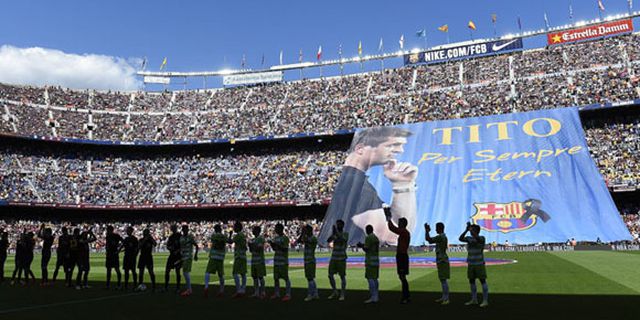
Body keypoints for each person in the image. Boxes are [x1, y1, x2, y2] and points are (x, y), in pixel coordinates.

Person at [320, 127, 417, 245]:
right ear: (360, 149)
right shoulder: (359, 188)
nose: (399, 151)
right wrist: (404, 186)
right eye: (392, 145)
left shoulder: (351, 181)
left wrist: (402, 185)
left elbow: (398, 228)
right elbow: (393, 237)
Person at [459, 223, 489, 308]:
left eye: (472, 230)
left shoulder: (482, 238)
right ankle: (474, 299)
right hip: (471, 263)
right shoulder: (469, 238)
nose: (471, 231)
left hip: (479, 263)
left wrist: (471, 230)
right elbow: (460, 238)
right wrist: (466, 230)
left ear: (476, 231)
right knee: (471, 281)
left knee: (482, 281)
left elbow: (478, 239)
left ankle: (485, 300)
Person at [387, 210, 411, 304]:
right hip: (401, 255)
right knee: (402, 277)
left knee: (402, 277)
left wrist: (388, 218)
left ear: (403, 224)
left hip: (402, 256)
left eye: (400, 222)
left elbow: (393, 228)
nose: (399, 224)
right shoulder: (404, 232)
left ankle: (406, 296)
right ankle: (406, 296)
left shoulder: (404, 232)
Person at [425, 222, 450, 305]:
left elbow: (429, 239)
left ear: (439, 228)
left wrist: (427, 231)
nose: (435, 229)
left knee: (443, 280)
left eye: (436, 228)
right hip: (442, 259)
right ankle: (444, 297)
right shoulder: (443, 236)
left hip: (442, 260)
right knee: (443, 280)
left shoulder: (441, 237)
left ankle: (446, 298)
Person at [268, 223, 291, 301]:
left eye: (277, 228)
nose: (275, 230)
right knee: (276, 278)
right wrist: (272, 244)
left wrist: (277, 245)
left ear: (280, 229)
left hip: (283, 261)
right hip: (277, 260)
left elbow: (285, 249)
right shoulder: (276, 238)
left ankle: (288, 294)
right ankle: (277, 293)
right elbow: (275, 249)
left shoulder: (285, 238)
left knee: (286, 278)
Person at [296, 224, 319, 301]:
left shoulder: (313, 238)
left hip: (310, 260)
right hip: (308, 260)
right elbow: (298, 241)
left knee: (310, 278)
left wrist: (303, 233)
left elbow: (303, 240)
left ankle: (310, 294)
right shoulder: (309, 237)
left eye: (306, 230)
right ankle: (315, 293)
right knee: (311, 278)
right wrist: (303, 233)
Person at [358, 225, 380, 304]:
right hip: (376, 260)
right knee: (375, 278)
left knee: (370, 278)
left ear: (367, 230)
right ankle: (376, 295)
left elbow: (367, 248)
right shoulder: (375, 237)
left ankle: (373, 296)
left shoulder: (369, 237)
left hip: (370, 260)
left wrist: (361, 246)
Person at [327, 220, 348, 301]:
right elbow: (328, 240)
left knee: (342, 276)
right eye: (337, 225)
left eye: (339, 225)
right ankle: (335, 291)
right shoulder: (335, 234)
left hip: (341, 258)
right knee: (330, 275)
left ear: (342, 226)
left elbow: (343, 239)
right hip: (334, 257)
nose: (337, 226)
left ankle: (342, 293)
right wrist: (333, 234)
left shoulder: (345, 234)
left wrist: (336, 233)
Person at [204, 224, 226, 298]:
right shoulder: (223, 236)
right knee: (221, 275)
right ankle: (222, 290)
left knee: (207, 272)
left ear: (215, 229)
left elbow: (213, 242)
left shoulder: (214, 236)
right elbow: (227, 242)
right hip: (221, 257)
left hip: (213, 256)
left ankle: (206, 286)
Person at [228, 221, 247, 298]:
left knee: (235, 273)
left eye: (235, 227)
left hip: (238, 256)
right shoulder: (243, 235)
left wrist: (230, 235)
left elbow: (230, 242)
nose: (234, 228)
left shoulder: (238, 235)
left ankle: (239, 290)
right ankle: (243, 289)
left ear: (238, 228)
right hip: (243, 256)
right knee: (243, 274)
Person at [179, 224, 198, 297]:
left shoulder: (190, 237)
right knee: (185, 272)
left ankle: (189, 290)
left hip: (189, 256)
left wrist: (196, 255)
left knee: (185, 272)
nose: (185, 230)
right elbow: (181, 247)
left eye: (186, 229)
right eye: (184, 229)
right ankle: (189, 289)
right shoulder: (181, 238)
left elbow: (196, 245)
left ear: (187, 230)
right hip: (183, 256)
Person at [249, 225, 266, 299]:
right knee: (254, 277)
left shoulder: (261, 239)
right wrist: (250, 246)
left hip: (259, 260)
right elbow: (251, 250)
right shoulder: (252, 239)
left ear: (257, 231)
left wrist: (252, 246)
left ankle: (263, 292)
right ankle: (256, 292)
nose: (252, 231)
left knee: (260, 277)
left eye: (253, 230)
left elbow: (259, 248)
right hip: (253, 260)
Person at [163, 224, 182, 293]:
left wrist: (177, 250)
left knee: (177, 271)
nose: (173, 229)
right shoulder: (170, 237)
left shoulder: (180, 236)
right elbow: (168, 245)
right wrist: (169, 248)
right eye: (172, 228)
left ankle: (178, 288)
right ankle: (166, 287)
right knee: (167, 271)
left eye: (174, 228)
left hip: (178, 256)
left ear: (176, 229)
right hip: (171, 256)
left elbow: (183, 245)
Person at [105, 225, 123, 290]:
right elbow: (107, 245)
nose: (107, 231)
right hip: (109, 255)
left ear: (111, 230)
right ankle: (108, 285)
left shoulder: (116, 236)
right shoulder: (108, 236)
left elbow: (123, 242)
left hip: (114, 254)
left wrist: (119, 250)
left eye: (108, 230)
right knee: (109, 270)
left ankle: (118, 284)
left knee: (116, 270)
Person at [121, 226, 139, 290]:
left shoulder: (134, 239)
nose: (127, 232)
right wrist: (119, 251)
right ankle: (126, 285)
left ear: (131, 231)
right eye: (127, 230)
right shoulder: (126, 239)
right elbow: (123, 246)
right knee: (126, 271)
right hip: (126, 256)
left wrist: (135, 255)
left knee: (133, 271)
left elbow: (137, 248)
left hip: (132, 257)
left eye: (128, 230)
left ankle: (135, 284)